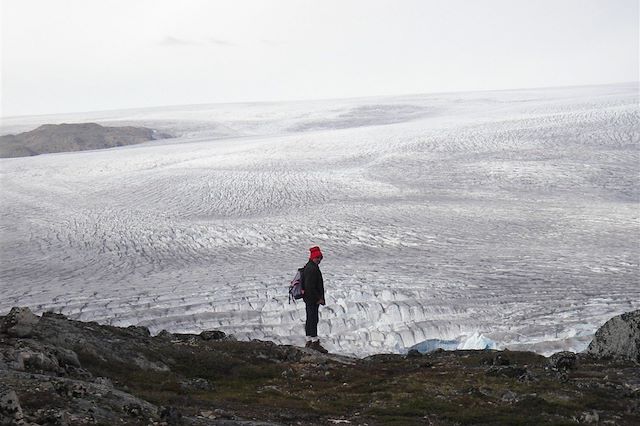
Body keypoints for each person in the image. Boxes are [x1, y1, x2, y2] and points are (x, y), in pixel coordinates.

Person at [303, 245, 328, 353]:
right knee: (313, 319)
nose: (319, 260)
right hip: (312, 299)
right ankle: (314, 342)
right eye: (317, 258)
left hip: (308, 298)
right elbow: (310, 286)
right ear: (313, 257)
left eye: (320, 258)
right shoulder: (312, 269)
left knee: (310, 318)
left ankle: (309, 339)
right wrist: (319, 298)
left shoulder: (308, 266)